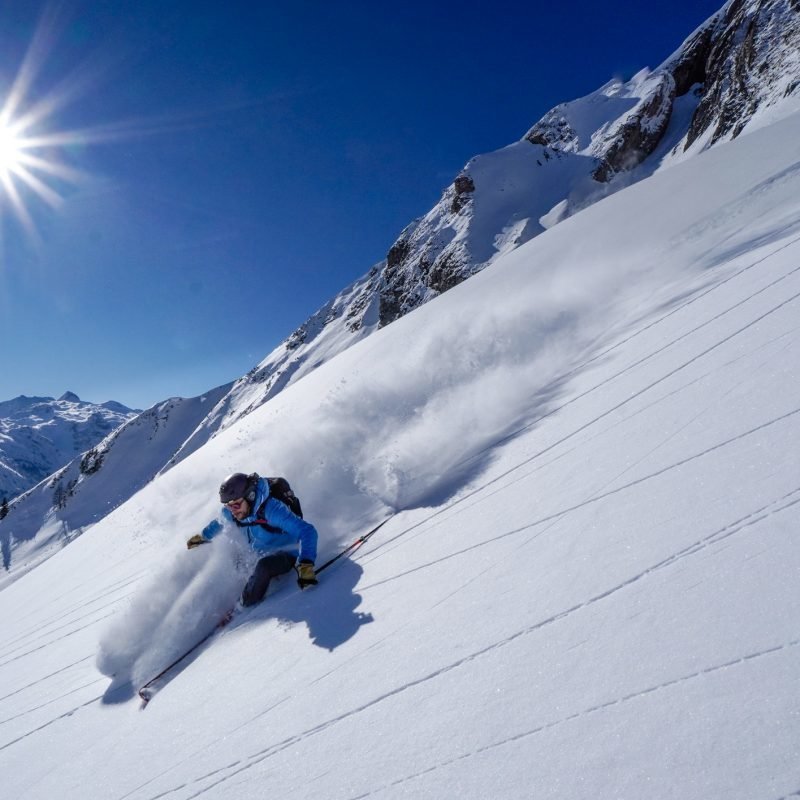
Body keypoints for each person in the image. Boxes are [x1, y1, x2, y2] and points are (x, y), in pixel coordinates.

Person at [187, 472, 318, 606]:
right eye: (228, 505)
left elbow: (307, 531)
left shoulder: (272, 511)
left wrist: (306, 565)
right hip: (257, 551)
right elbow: (218, 523)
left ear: (250, 496)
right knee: (232, 558)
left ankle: (245, 604)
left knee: (264, 567)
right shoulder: (234, 511)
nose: (232, 510)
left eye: (235, 505)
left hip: (285, 554)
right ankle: (231, 596)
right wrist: (202, 537)